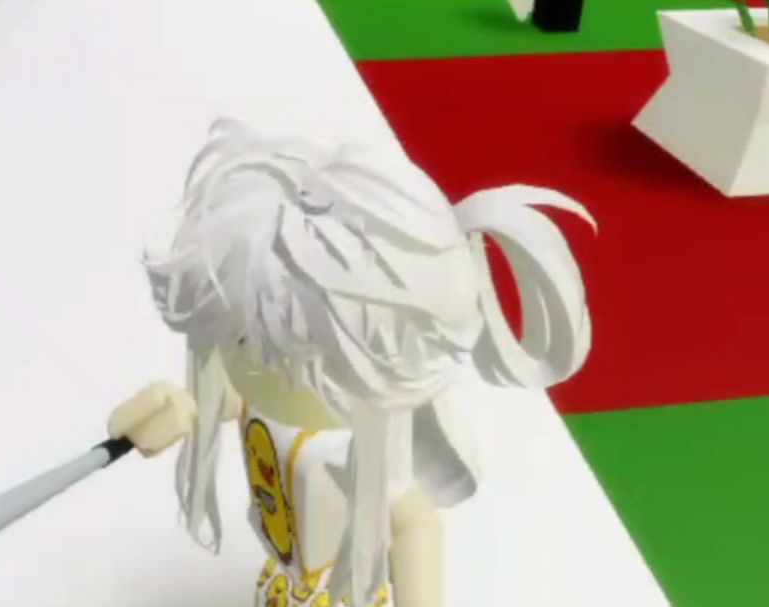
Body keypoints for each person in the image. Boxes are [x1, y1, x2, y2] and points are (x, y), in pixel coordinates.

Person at [106, 119, 594, 607]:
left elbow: (415, 524)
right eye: (240, 338)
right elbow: (237, 398)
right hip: (282, 585)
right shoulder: (265, 389)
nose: (245, 359)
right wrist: (178, 409)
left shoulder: (354, 446)